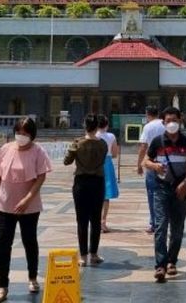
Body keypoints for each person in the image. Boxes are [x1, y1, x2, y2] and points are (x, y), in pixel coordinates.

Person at [0, 117, 52, 303]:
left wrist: (27, 198)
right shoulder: (5, 149)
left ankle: (32, 277)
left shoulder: (38, 151)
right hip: (5, 204)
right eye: (19, 132)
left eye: (26, 133)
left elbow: (40, 177)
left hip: (29, 206)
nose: (21, 136)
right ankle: (2, 286)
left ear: (32, 135)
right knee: (3, 244)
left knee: (29, 241)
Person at [143, 106, 186, 283]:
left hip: (180, 188)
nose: (171, 124)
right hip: (161, 188)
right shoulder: (158, 141)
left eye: (174, 120)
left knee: (178, 228)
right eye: (168, 121)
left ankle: (172, 260)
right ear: (163, 122)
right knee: (160, 226)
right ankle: (160, 265)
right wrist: (155, 166)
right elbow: (146, 160)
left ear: (180, 120)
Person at [64, 113, 108, 267]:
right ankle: (94, 253)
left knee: (82, 220)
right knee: (95, 219)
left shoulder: (78, 143)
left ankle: (83, 255)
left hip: (81, 183)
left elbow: (66, 161)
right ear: (97, 127)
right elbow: (102, 160)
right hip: (98, 182)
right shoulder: (103, 144)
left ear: (85, 126)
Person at [137, 106, 165, 234]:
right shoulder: (165, 124)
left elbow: (143, 147)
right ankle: (165, 221)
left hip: (152, 163)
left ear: (147, 114)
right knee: (167, 193)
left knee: (152, 194)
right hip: (166, 163)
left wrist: (139, 164)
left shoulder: (148, 127)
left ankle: (154, 223)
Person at [96, 114, 119, 233]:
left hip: (94, 165)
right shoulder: (111, 136)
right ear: (107, 125)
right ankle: (103, 221)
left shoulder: (93, 136)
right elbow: (115, 154)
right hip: (107, 163)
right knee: (106, 195)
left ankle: (94, 221)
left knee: (95, 195)